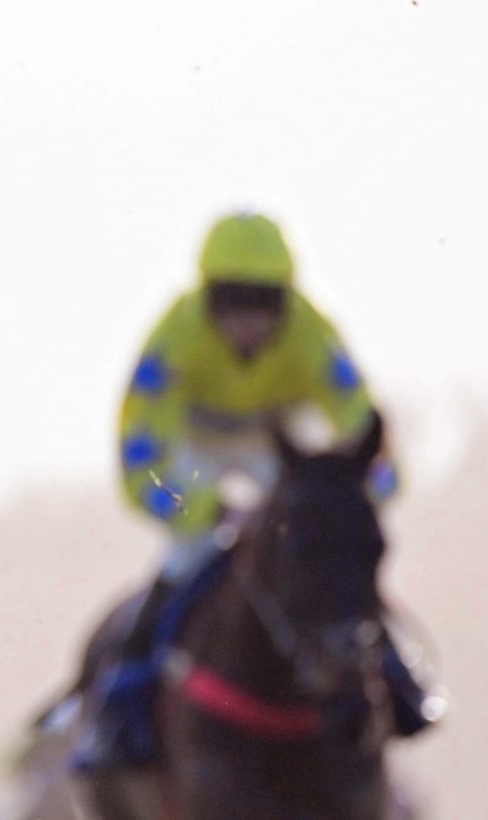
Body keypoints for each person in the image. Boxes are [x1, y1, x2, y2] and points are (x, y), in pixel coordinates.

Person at [77, 211, 441, 771]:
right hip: (194, 455)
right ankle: (119, 698)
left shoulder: (313, 333)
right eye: (231, 303)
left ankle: (398, 674)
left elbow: (364, 426)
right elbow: (139, 460)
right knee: (186, 557)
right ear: (207, 299)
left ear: (285, 302)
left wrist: (353, 500)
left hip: (277, 449)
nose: (247, 321)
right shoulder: (172, 339)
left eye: (263, 303)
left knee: (330, 558)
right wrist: (203, 508)